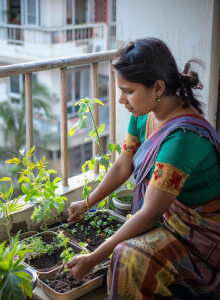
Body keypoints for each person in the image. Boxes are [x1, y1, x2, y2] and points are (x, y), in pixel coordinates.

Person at [65, 37, 220, 299]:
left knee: (128, 257)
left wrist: (93, 258)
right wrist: (87, 202)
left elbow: (148, 214)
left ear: (158, 87)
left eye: (128, 91)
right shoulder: (145, 115)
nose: (121, 99)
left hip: (199, 235)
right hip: (166, 215)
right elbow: (123, 166)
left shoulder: (181, 138)